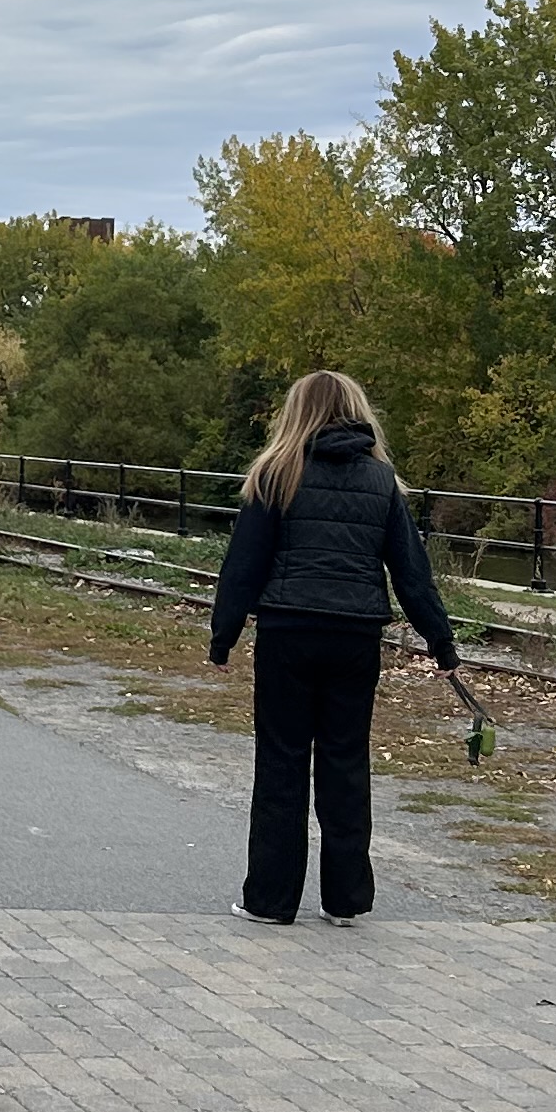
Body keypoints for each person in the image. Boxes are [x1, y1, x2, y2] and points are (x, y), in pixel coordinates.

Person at [207, 369, 458, 927]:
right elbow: (412, 572)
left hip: (287, 633)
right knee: (346, 763)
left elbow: (243, 565)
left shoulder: (276, 474)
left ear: (296, 412)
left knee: (281, 762)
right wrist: (440, 641)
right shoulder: (382, 481)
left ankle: (270, 900)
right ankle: (345, 901)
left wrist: (223, 638)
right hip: (356, 636)